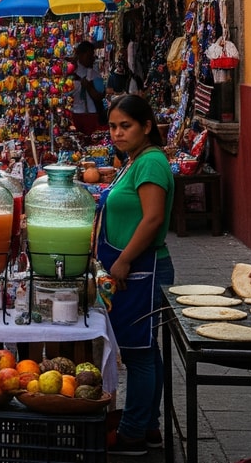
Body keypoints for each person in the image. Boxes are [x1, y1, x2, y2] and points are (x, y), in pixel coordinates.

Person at [98, 93, 176, 456]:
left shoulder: (151, 163)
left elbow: (153, 218)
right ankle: (149, 427)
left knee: (138, 354)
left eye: (125, 126)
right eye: (113, 126)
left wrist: (125, 260)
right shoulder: (134, 160)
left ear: (146, 127)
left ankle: (131, 435)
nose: (116, 133)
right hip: (135, 270)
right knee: (145, 351)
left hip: (143, 270)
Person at [69, 41, 108, 135]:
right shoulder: (70, 74)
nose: (92, 59)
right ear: (80, 55)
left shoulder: (96, 75)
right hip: (74, 114)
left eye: (92, 55)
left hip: (91, 115)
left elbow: (99, 96)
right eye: (89, 55)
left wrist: (88, 86)